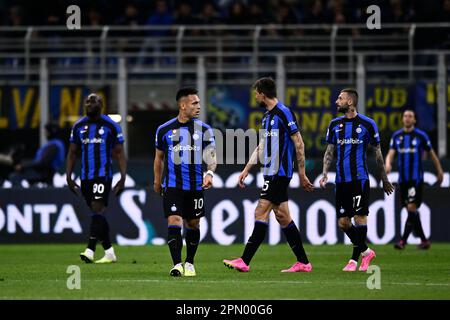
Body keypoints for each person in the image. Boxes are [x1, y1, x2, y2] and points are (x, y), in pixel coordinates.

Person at [223, 77, 314, 273]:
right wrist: (246, 169)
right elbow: (262, 146)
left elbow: (299, 142)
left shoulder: (284, 112)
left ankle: (244, 260)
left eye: (256, 92)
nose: (255, 96)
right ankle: (303, 263)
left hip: (279, 173)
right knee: (282, 216)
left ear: (263, 94)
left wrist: (302, 172)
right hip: (269, 172)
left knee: (260, 211)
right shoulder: (266, 117)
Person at [320, 88, 394, 272]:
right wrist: (324, 173)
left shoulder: (368, 124)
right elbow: (329, 152)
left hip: (359, 179)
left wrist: (384, 179)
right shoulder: (334, 124)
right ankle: (366, 251)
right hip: (341, 180)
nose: (336, 101)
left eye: (340, 98)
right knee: (343, 223)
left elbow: (378, 155)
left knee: (360, 217)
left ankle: (355, 260)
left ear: (350, 102)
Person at [154, 87, 216, 277]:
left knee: (193, 224)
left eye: (198, 102)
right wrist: (157, 181)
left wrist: (210, 174)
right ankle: (177, 264)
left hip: (196, 186)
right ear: (183, 105)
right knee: (174, 220)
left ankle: (190, 262)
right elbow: (159, 158)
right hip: (173, 186)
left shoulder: (205, 130)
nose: (198, 106)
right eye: (194, 103)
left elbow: (212, 156)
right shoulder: (164, 129)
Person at [66, 94, 127, 264]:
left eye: (93, 101)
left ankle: (90, 249)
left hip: (103, 175)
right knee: (96, 214)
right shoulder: (79, 126)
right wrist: (69, 176)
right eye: (87, 102)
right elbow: (72, 152)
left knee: (97, 208)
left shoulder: (111, 125)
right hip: (85, 177)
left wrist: (123, 177)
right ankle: (109, 252)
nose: (89, 104)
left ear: (101, 105)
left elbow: (120, 152)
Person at [385, 109, 444, 250]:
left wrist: (439, 170)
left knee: (411, 207)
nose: (407, 118)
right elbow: (391, 153)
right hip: (403, 179)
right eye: (405, 116)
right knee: (410, 211)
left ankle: (403, 241)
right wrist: (388, 163)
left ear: (415, 120)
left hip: (415, 179)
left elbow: (432, 154)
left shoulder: (421, 136)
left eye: (410, 116)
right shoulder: (397, 136)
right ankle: (424, 240)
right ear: (402, 119)